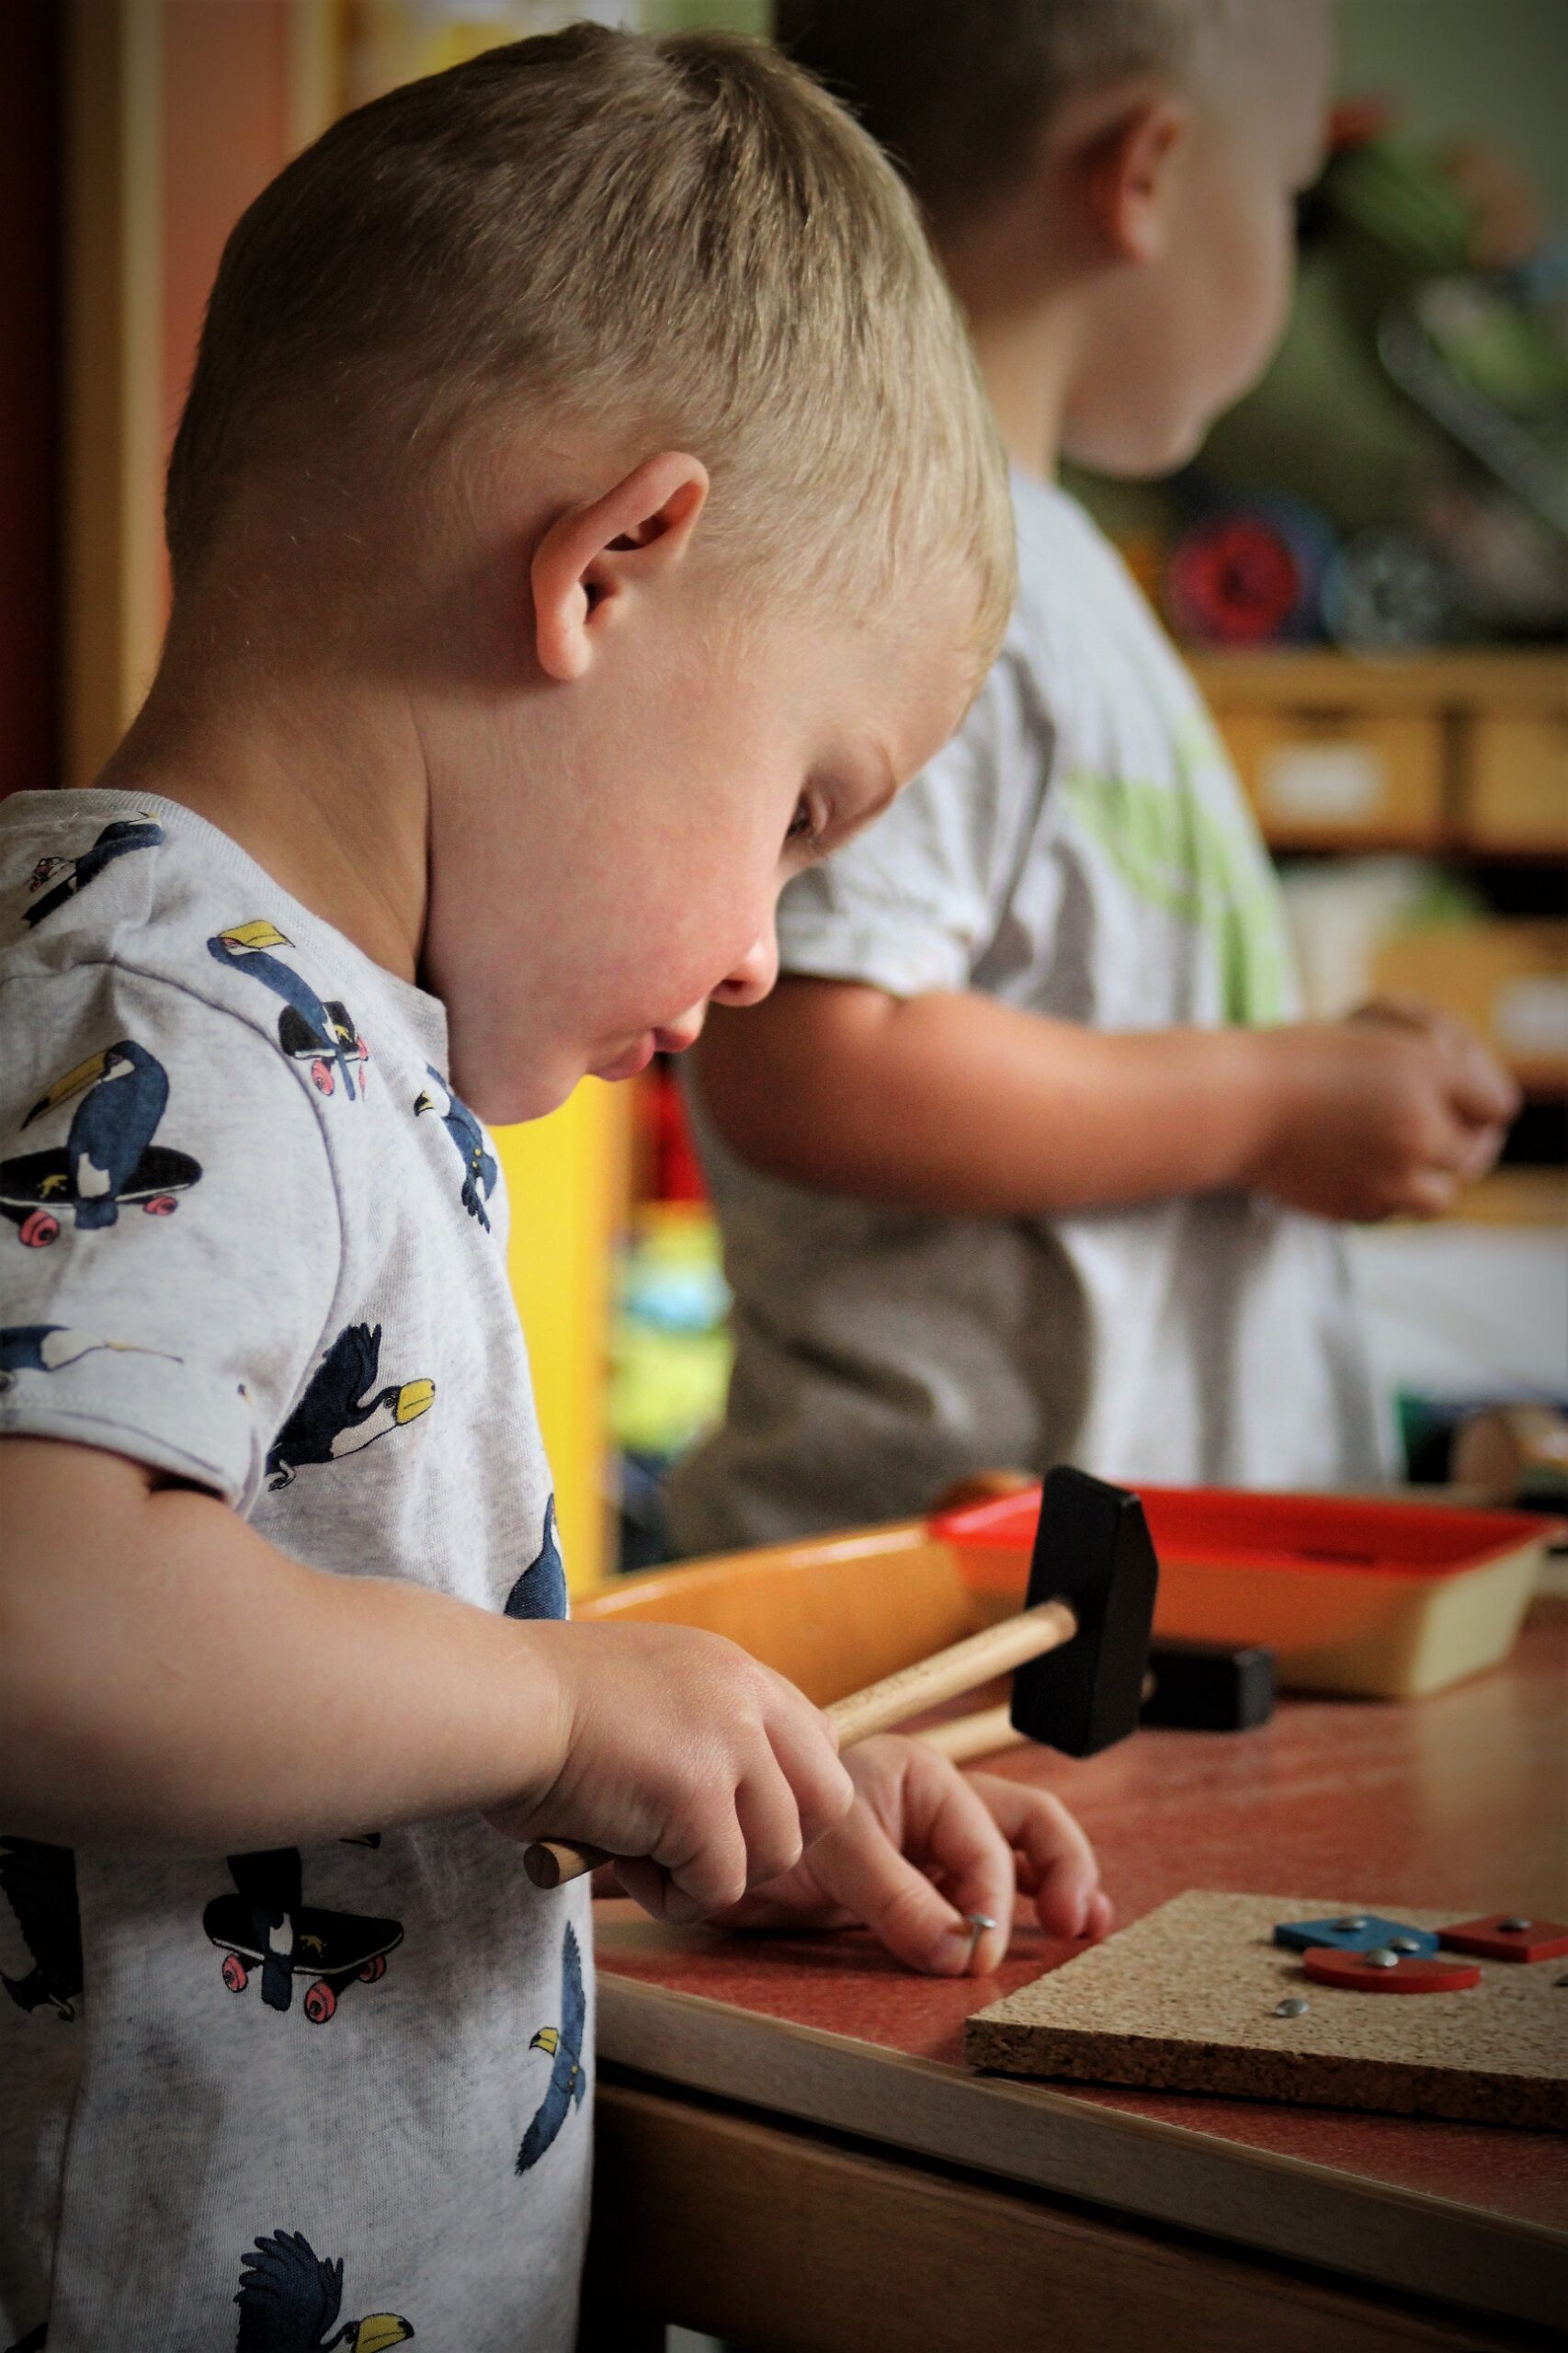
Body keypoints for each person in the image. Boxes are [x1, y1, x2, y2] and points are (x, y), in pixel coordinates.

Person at [0, 29, 1112, 2347]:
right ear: (614, 563)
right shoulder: (177, 1019)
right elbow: (41, 1617)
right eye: (804, 806)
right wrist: (561, 1705)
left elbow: (282, 1747)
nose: (762, 944)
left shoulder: (282, 1025)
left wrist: (707, 1803)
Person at [669, 0, 1519, 1555]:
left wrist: (1312, 1075)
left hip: (1111, 1601)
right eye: (1282, 197)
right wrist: (1268, 1100)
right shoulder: (929, 569)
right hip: (965, 1617)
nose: (1284, 245)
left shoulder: (1039, 562)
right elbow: (813, 1058)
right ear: (1145, 173)